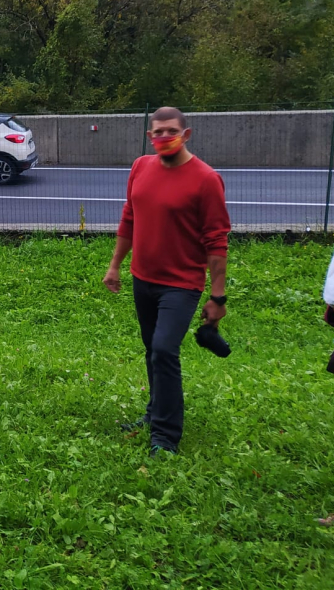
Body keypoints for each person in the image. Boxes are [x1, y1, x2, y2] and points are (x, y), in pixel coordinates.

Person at [102, 107, 231, 456]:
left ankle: (166, 435)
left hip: (182, 284)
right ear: (149, 136)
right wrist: (115, 266)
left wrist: (217, 297)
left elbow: (217, 243)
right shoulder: (140, 167)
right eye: (157, 132)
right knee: (152, 350)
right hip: (142, 279)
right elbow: (129, 218)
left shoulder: (206, 179)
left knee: (163, 350)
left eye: (170, 131)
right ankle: (154, 411)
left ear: (186, 134)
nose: (163, 138)